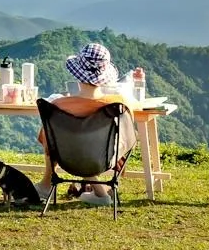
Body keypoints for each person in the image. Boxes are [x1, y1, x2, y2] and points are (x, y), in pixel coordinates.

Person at [38, 42, 137, 205]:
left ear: (78, 75)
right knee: (93, 147)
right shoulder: (117, 104)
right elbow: (129, 137)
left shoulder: (58, 105)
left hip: (68, 158)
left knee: (68, 143)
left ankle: (46, 184)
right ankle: (101, 192)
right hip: (104, 159)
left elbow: (48, 142)